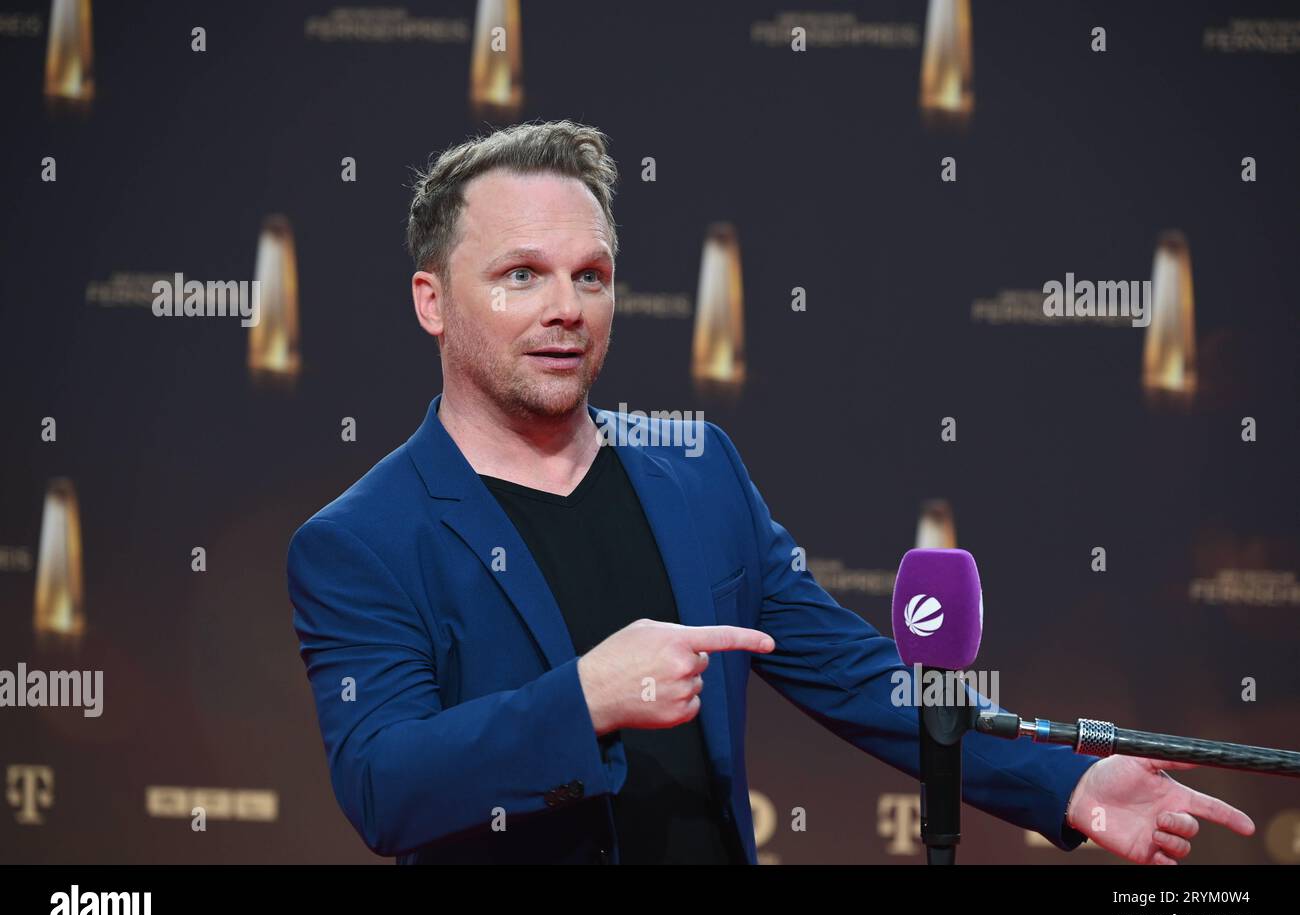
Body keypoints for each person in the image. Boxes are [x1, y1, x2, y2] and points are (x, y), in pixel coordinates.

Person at [285, 119, 1255, 864]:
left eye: (591, 274)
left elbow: (855, 674)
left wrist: (1066, 783)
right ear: (431, 300)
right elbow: (383, 784)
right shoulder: (362, 538)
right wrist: (581, 699)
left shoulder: (695, 470)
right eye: (520, 275)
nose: (565, 309)